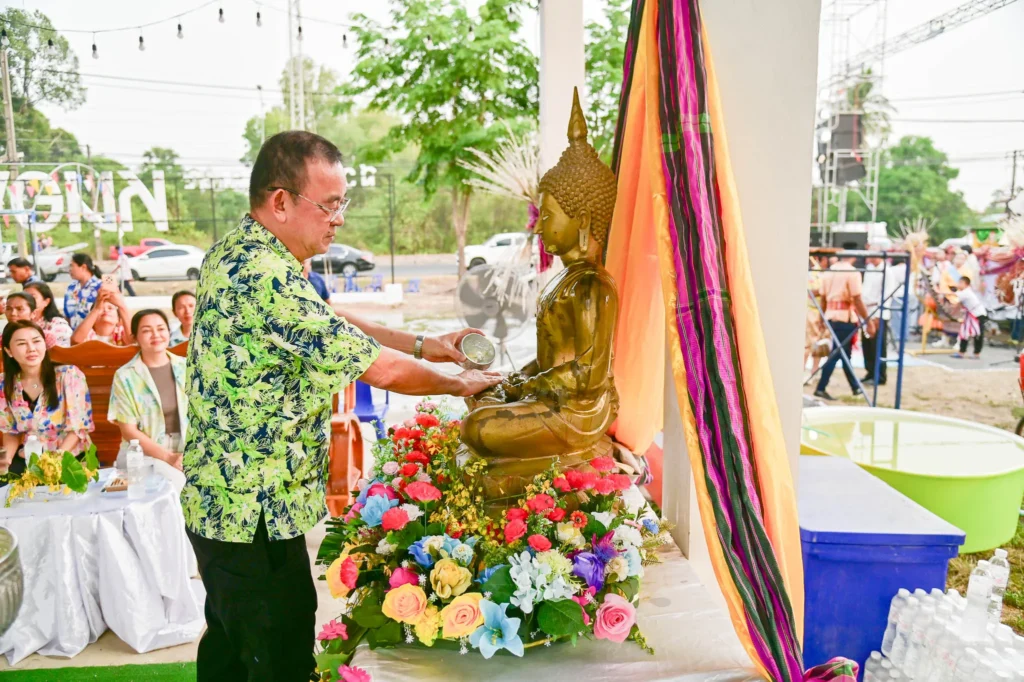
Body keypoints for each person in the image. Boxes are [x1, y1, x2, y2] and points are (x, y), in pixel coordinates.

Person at [183, 131, 501, 682]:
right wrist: (461, 384)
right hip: (251, 511)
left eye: (342, 203)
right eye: (328, 205)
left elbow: (330, 323)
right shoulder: (262, 274)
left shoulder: (246, 251)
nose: (339, 219)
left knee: (232, 652)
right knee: (277, 657)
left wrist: (424, 344)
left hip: (233, 504)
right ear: (280, 201)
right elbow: (381, 371)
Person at [0, 321, 94, 474]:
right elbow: (10, 431)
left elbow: (78, 429)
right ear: (9, 351)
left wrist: (54, 462)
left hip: (69, 456)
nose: (31, 348)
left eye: (36, 341)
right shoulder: (4, 383)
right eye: (22, 343)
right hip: (29, 458)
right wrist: (6, 462)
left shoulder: (69, 375)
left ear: (45, 345)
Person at [109, 310, 186, 492]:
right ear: (135, 338)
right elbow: (129, 430)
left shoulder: (186, 367)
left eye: (161, 328)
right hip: (142, 454)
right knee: (174, 484)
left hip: (185, 449)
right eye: (146, 330)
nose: (156, 335)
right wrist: (168, 457)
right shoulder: (125, 376)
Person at [814, 255, 869, 401]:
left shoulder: (829, 272)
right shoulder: (852, 272)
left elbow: (823, 299)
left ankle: (855, 387)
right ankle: (821, 387)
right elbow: (857, 298)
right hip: (845, 317)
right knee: (838, 353)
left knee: (843, 353)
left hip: (831, 315)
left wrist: (821, 318)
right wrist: (867, 320)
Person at [24, 282, 73, 349]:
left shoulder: (57, 323)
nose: (27, 301)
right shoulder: (20, 322)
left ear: (46, 301)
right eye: (24, 298)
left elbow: (62, 351)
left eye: (32, 297)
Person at [64, 253, 103, 329]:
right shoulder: (71, 288)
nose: (70, 269)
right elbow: (67, 315)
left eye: (72, 266)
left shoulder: (100, 287)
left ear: (83, 267)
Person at [953, 276, 988, 359]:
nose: (958, 284)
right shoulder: (964, 292)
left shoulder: (966, 292)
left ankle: (976, 353)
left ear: (966, 284)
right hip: (970, 315)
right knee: (964, 332)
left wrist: (938, 290)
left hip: (978, 315)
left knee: (977, 334)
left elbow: (952, 295)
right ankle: (961, 352)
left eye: (960, 283)